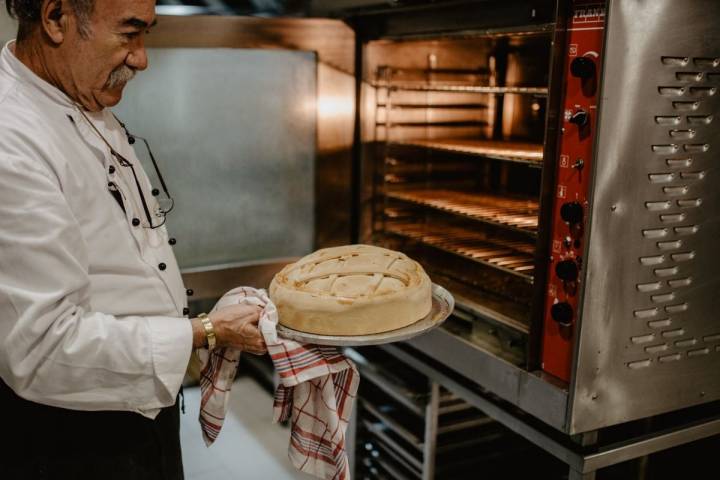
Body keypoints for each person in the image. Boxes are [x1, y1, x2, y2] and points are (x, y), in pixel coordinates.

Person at [0, 0, 268, 478]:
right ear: (56, 17)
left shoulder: (76, 96)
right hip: (72, 438)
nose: (142, 58)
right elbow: (42, 348)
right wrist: (207, 332)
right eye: (129, 33)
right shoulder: (11, 140)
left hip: (137, 406)